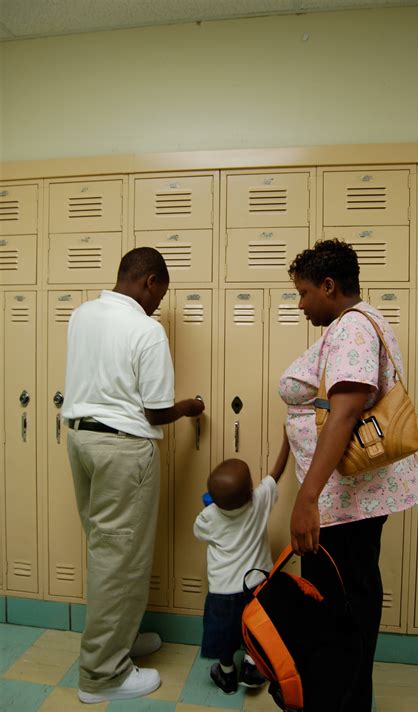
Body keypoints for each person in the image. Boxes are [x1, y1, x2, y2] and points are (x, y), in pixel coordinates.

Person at [279, 239, 418, 711]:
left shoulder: (353, 330)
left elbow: (343, 415)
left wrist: (306, 500)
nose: (300, 304)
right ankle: (345, 698)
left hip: (342, 505)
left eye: (303, 293)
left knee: (338, 612)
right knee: (347, 604)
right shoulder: (355, 324)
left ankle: (340, 701)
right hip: (346, 500)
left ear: (329, 285)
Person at [62, 247, 205, 704]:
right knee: (119, 560)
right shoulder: (146, 329)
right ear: (148, 281)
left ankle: (118, 641)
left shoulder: (83, 314)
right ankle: (102, 675)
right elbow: (156, 411)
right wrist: (190, 407)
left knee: (107, 552)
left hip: (81, 441)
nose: (160, 301)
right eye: (160, 291)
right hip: (123, 449)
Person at [194, 430, 290, 695]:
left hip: (223, 592)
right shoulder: (258, 503)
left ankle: (226, 675)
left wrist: (211, 506)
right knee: (255, 629)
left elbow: (199, 533)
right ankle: (251, 666)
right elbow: (275, 475)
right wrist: (286, 442)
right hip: (258, 585)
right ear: (250, 491)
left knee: (226, 636)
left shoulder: (209, 516)